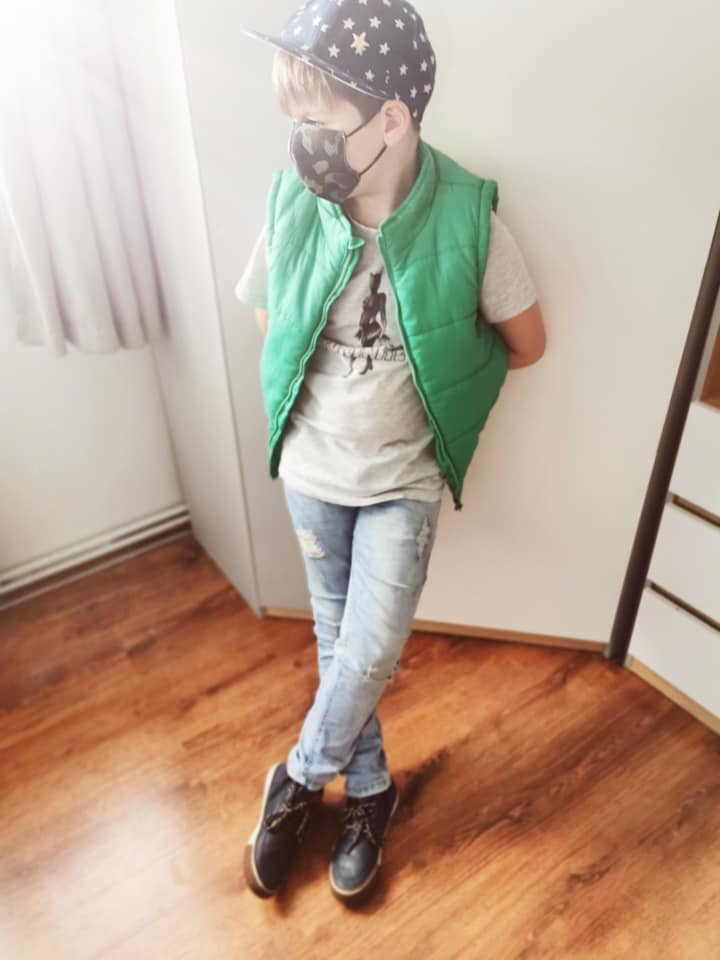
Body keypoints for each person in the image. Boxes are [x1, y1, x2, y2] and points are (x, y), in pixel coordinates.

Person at [236, 0, 546, 905]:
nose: (302, 144)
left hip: (401, 479)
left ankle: (298, 777)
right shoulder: (294, 204)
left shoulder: (467, 218)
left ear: (393, 119)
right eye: (292, 121)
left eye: (319, 122)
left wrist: (441, 377)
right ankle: (369, 790)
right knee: (342, 645)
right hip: (312, 470)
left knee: (369, 647)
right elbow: (270, 318)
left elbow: (527, 342)